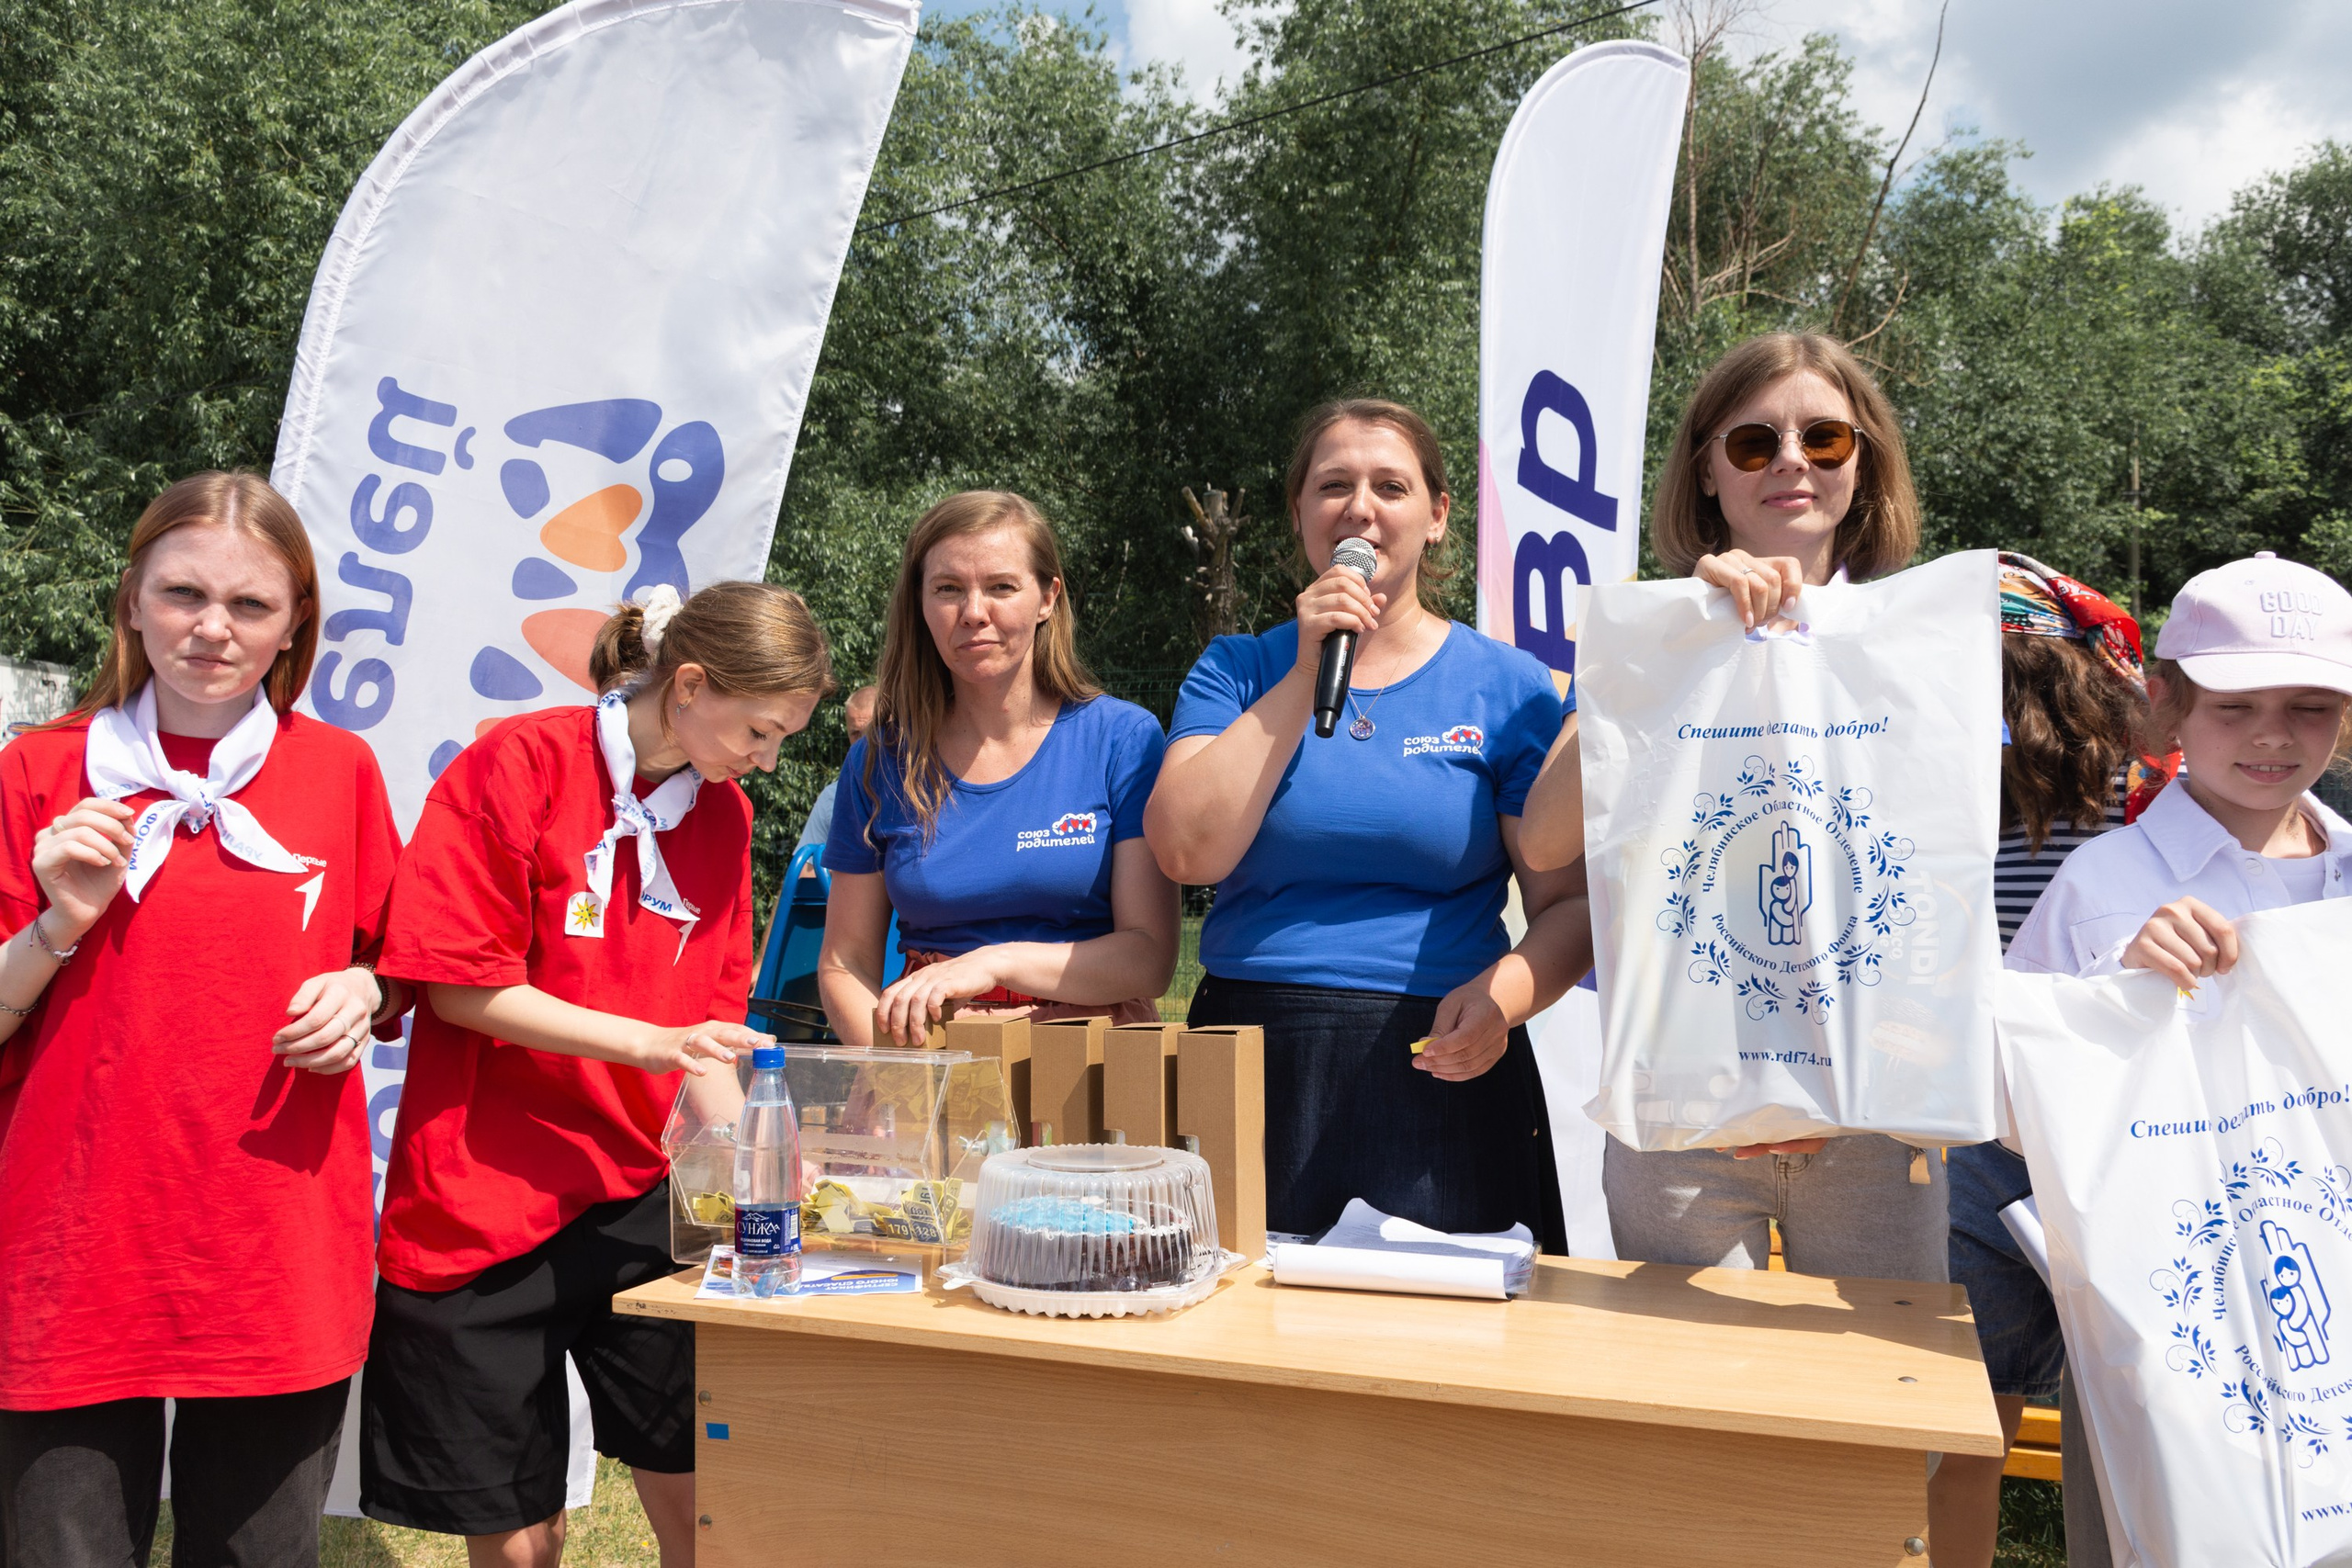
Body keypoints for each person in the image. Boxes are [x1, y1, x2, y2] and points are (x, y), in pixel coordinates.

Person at [362, 581, 831, 1567]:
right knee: (523, 1535)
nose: (767, 758)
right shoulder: (520, 764)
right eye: (758, 730)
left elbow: (706, 1032)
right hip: (485, 1197)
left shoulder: (726, 817)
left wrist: (762, 1168)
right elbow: (458, 990)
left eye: (782, 736)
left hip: (635, 1193)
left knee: (707, 1496)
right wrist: (649, 1044)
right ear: (691, 685)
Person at [0, 473, 405, 1568]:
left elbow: (395, 958)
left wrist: (364, 992)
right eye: (183, 595)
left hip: (271, 1239)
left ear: (293, 627)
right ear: (132, 600)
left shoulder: (339, 771)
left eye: (251, 606)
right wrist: (57, 925)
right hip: (73, 1240)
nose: (213, 630)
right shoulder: (42, 769)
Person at [1518, 332, 1945, 1280]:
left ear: (1862, 463)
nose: (1791, 460)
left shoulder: (1918, 644)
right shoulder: (1650, 634)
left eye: (1823, 439)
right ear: (1707, 471)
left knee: (1880, 1415)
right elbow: (1548, 839)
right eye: (1754, 442)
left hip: (1872, 1118)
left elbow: (1940, 882)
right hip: (1684, 1114)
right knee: (1693, 1418)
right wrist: (1670, 642)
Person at [1144, 399, 1589, 1249]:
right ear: (1301, 515)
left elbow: (1568, 908)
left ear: (1437, 517)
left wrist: (1501, 1003)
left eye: (1391, 485)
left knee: (1438, 1359)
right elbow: (1184, 848)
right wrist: (1305, 670)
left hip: (1442, 1058)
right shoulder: (1238, 670)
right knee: (1243, 1352)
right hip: (1251, 1053)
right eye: (1333, 485)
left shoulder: (1513, 686)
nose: (1361, 506)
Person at [2005, 551, 2352, 1568]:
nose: (2273, 736)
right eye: (2234, 705)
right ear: (2166, 708)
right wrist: (2123, 989)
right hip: (2166, 1320)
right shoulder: (2101, 885)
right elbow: (2015, 1111)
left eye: (2309, 705)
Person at [1926, 552, 2147, 1568]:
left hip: (1992, 1117)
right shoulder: (2147, 790)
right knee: (2142, 1414)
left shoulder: (1943, 772)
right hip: (2127, 1126)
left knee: (1974, 1413)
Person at [817, 491, 1175, 1046]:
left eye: (1001, 587)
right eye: (948, 589)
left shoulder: (1122, 740)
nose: (973, 612)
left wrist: (994, 963)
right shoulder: (878, 760)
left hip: (1096, 1063)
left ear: (1047, 598)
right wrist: (890, 1071)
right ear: (919, 601)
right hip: (930, 1063)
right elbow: (846, 962)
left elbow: (1148, 958)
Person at [794, 684, 877, 867]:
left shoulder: (918, 793)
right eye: (856, 733)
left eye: (873, 730)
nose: (865, 742)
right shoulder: (832, 796)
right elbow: (803, 872)